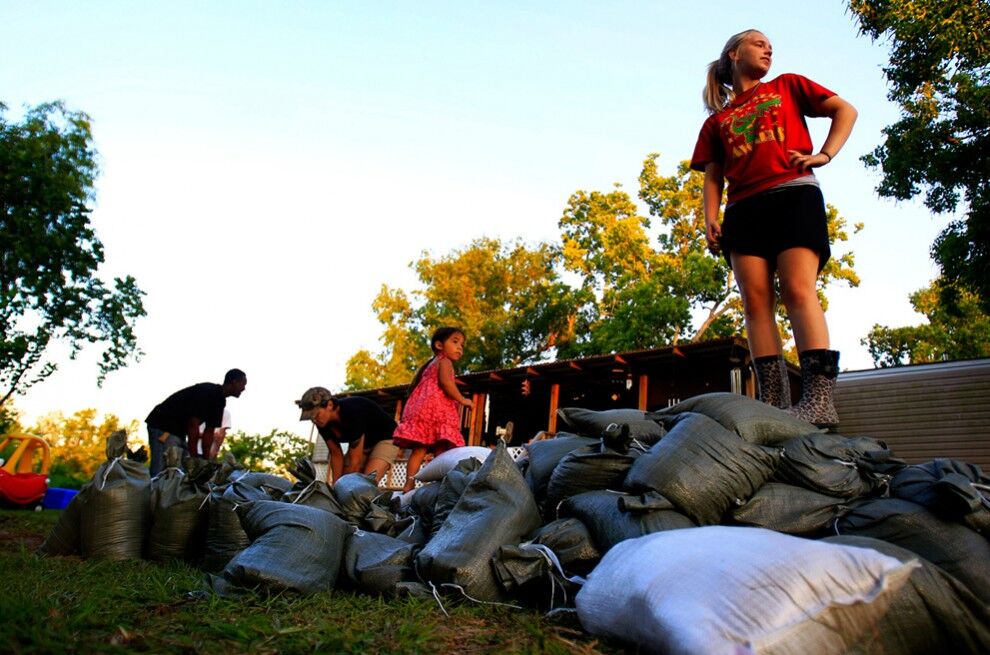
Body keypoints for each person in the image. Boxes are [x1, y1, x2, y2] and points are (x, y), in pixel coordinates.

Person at [690, 29, 857, 428]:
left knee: (798, 290)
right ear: (734, 54)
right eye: (758, 42)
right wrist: (710, 218)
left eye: (770, 45)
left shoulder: (788, 86)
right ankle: (775, 401)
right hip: (744, 210)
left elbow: (845, 110)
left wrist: (824, 154)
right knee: (755, 303)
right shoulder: (718, 122)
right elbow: (713, 177)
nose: (768, 48)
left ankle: (818, 401)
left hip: (793, 195)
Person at [392, 327, 473, 492]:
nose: (459, 348)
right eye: (455, 342)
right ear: (439, 345)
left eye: (462, 345)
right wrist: (462, 399)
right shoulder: (445, 362)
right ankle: (441, 485)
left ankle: (409, 484)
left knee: (419, 449)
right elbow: (446, 383)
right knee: (441, 451)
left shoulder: (431, 364)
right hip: (437, 412)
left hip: (421, 411)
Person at [145, 368, 247, 476]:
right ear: (234, 382)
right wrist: (194, 461)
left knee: (179, 471)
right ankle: (154, 490)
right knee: (164, 469)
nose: (244, 388)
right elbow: (193, 426)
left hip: (178, 432)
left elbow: (209, 432)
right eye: (243, 384)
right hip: (163, 426)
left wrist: (206, 462)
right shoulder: (209, 393)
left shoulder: (220, 401)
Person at [296, 388, 400, 485]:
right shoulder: (322, 423)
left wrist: (342, 488)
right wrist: (335, 487)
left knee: (365, 483)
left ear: (330, 405)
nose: (314, 420)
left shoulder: (352, 412)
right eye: (311, 417)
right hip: (364, 443)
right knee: (341, 482)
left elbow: (355, 462)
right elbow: (336, 454)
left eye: (317, 415)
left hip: (386, 437)